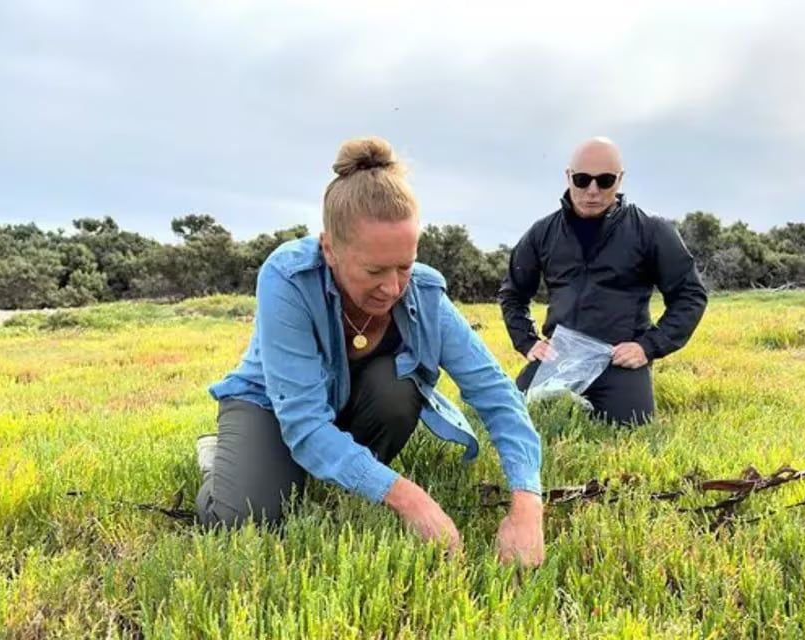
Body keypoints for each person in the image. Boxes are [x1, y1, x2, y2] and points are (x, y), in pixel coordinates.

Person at [196, 137, 544, 566]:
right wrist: (409, 498)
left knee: (397, 389)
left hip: (352, 404)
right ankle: (223, 458)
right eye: (374, 270)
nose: (393, 288)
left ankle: (338, 471)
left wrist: (528, 506)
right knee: (244, 521)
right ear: (330, 249)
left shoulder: (425, 292)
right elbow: (303, 421)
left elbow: (495, 392)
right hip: (271, 404)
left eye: (404, 265)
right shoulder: (287, 278)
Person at [498, 137, 707, 425]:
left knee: (630, 427)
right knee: (514, 417)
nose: (592, 191)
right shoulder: (542, 233)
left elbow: (690, 294)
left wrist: (648, 346)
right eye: (582, 180)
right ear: (568, 176)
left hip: (618, 358)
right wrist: (527, 341)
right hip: (559, 356)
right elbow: (512, 293)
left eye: (605, 180)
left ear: (620, 180)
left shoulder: (651, 230)